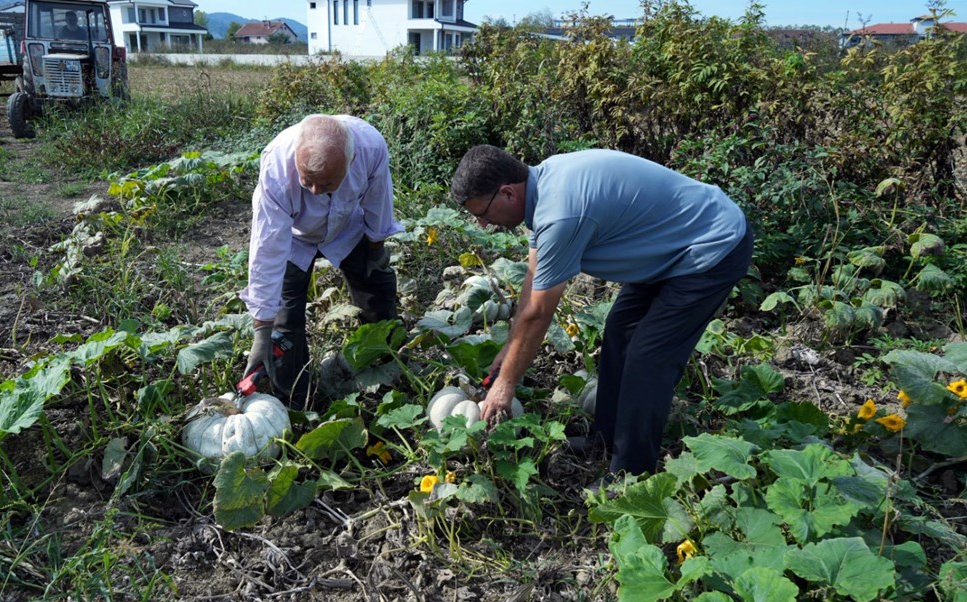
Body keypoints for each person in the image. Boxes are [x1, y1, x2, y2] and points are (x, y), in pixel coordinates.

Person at [450, 145, 753, 484]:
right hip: (668, 249)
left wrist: (505, 385)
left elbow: (539, 314)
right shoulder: (543, 188)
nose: (483, 223)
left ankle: (631, 473)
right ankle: (606, 434)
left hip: (711, 246)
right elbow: (533, 280)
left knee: (648, 357)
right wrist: (507, 352)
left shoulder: (560, 213)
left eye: (483, 214)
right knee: (619, 330)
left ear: (507, 193)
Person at [241, 114, 402, 408]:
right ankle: (296, 403)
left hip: (348, 227)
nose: (315, 191)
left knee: (377, 289)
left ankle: (379, 362)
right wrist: (261, 332)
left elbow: (378, 203)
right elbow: (267, 249)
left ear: (350, 163)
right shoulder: (277, 168)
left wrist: (376, 250)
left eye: (327, 183)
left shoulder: (369, 148)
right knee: (284, 322)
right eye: (307, 181)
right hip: (294, 237)